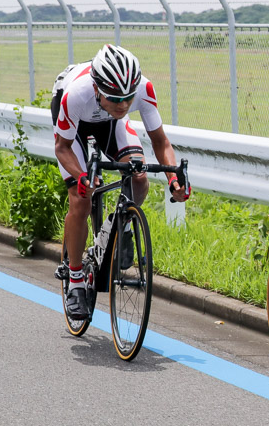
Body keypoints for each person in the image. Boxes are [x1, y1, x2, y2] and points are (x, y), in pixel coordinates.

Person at [51, 44, 190, 320]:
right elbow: (62, 148)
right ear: (97, 88)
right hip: (76, 128)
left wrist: (174, 179)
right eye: (115, 98)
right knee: (81, 199)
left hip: (110, 125)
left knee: (138, 176)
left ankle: (121, 224)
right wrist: (81, 178)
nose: (123, 105)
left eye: (128, 99)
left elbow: (161, 142)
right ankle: (76, 281)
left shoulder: (142, 89)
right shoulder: (75, 94)